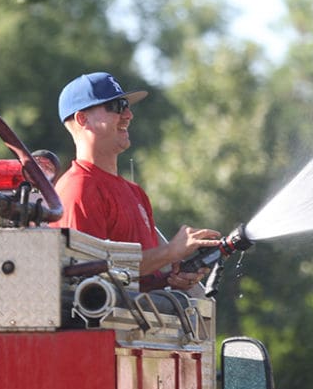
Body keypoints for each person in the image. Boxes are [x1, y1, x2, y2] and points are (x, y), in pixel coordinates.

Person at [53, 71, 220, 290]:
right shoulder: (78, 188)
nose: (128, 115)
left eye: (127, 106)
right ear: (82, 119)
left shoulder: (135, 193)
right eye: (117, 106)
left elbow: (135, 282)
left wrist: (169, 280)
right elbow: (86, 277)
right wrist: (169, 252)